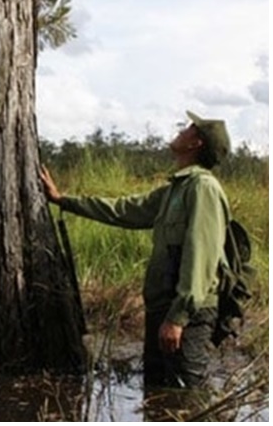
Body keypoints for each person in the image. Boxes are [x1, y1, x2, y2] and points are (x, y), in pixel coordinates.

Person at [39, 111, 232, 389]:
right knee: (156, 392)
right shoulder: (175, 189)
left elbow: (200, 256)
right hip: (162, 309)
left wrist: (178, 319)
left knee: (186, 396)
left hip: (187, 314)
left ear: (196, 144)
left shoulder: (203, 188)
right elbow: (123, 210)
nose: (183, 128)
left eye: (190, 128)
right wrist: (63, 200)